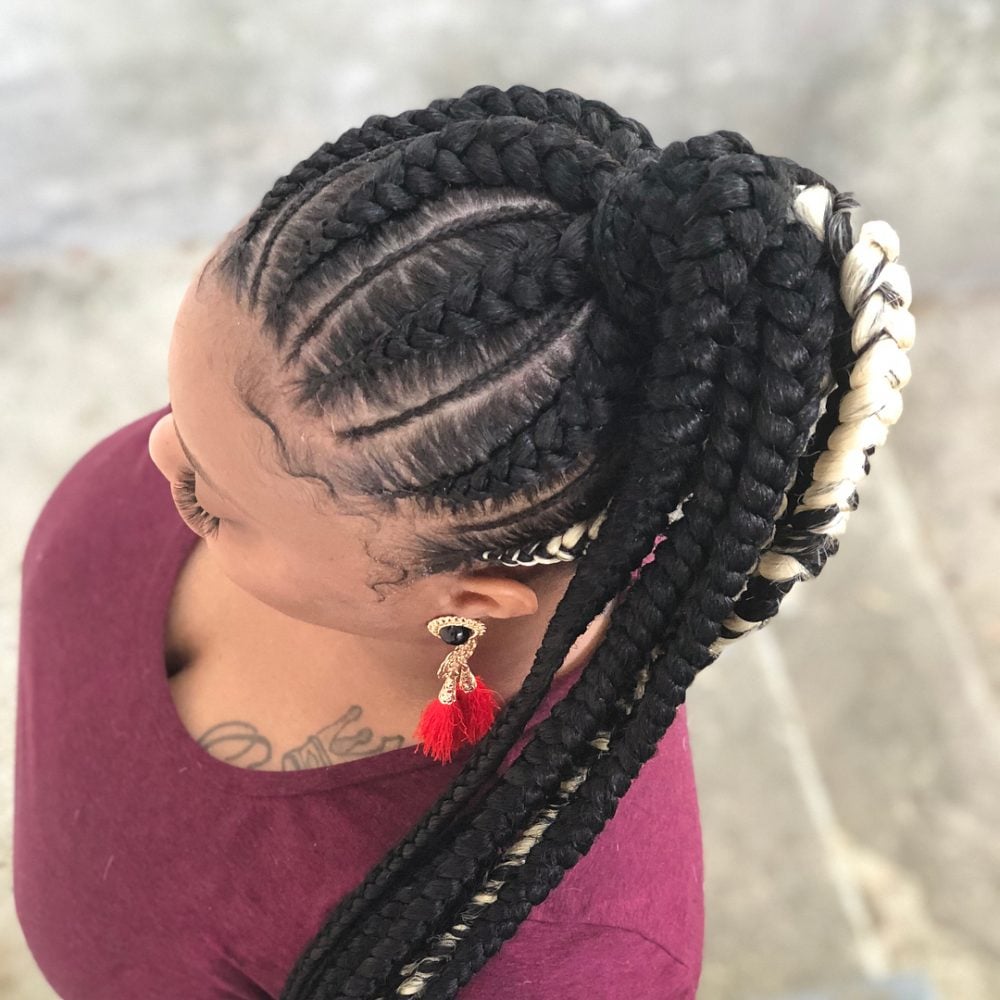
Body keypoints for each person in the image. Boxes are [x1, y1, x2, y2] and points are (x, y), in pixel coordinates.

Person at [13, 83, 914, 999]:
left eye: (214, 503)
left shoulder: (555, 956)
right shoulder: (300, 445)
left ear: (469, 598)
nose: (156, 452)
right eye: (181, 411)